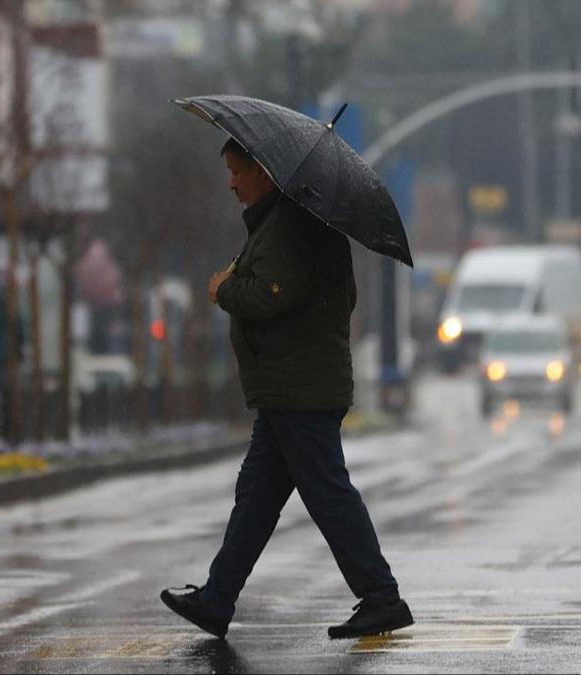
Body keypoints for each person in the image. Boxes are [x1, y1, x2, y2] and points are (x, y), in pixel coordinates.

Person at [160, 138, 413, 640]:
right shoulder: (287, 222)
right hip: (290, 388)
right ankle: (216, 599)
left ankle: (382, 597)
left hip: (302, 389)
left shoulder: (291, 225)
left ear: (264, 171)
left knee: (328, 494)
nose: (231, 182)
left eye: (237, 171)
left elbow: (270, 296)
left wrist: (223, 289)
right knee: (256, 498)